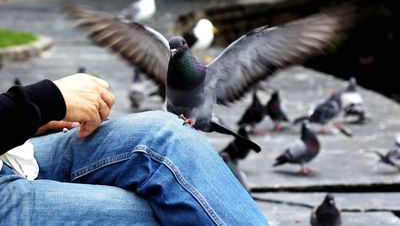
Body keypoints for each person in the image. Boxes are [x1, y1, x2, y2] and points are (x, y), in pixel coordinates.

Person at [0, 73, 269, 225]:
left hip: (12, 154)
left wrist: (23, 121)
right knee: (158, 216)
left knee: (165, 132)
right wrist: (46, 99)